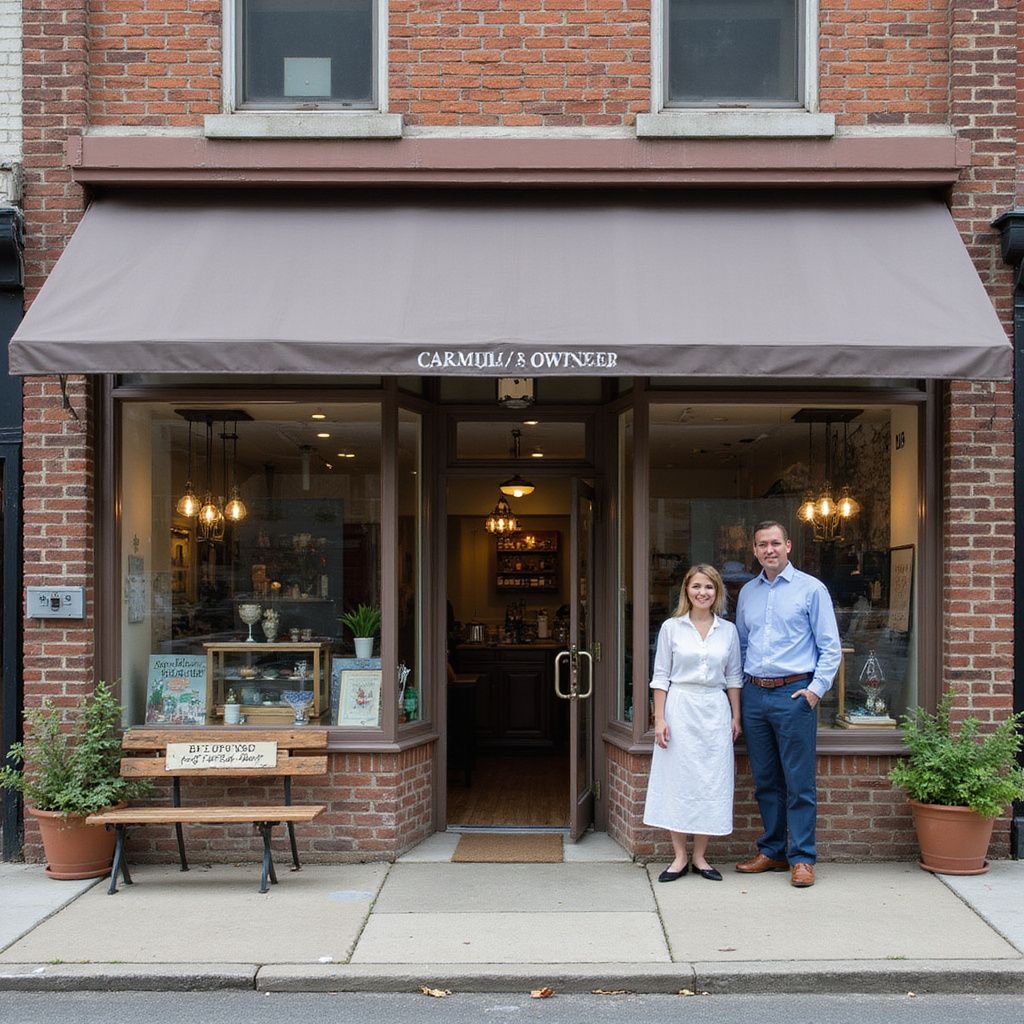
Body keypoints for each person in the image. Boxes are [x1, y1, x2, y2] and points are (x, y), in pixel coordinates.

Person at [734, 521, 842, 888]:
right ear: (754, 550)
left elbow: (830, 647)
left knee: (798, 782)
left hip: (794, 695)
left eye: (775, 543)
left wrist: (815, 691)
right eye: (762, 544)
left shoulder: (811, 590)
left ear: (789, 546)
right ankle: (773, 851)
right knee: (765, 780)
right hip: (755, 695)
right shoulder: (748, 592)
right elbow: (743, 646)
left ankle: (803, 858)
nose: (769, 550)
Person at [643, 564, 742, 883]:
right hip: (680, 708)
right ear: (687, 590)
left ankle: (700, 856)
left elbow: (733, 677)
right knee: (679, 780)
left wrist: (735, 714)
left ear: (717, 592)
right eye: (697, 586)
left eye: (709, 587)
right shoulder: (672, 628)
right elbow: (660, 677)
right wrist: (659, 718)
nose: (703, 592)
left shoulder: (728, 631)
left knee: (709, 781)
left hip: (714, 709)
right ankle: (679, 856)